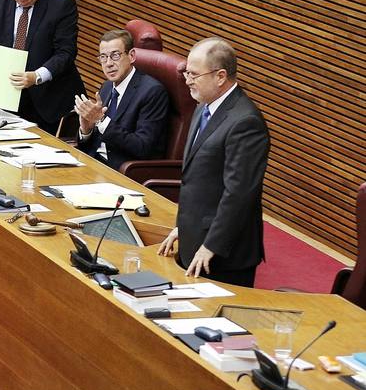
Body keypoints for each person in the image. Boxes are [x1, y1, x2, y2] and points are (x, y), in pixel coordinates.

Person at [159, 38, 270, 286]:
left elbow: (239, 193)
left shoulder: (245, 123)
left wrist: (211, 244)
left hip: (222, 254)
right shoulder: (203, 107)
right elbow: (197, 179)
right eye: (186, 72)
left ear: (220, 76)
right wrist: (184, 229)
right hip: (195, 238)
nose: (187, 80)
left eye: (194, 74)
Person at [0, 0, 84, 133]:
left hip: (51, 101)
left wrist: (36, 76)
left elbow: (65, 53)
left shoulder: (61, 5)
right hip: (10, 98)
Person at [74, 28, 172, 170]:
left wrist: (101, 120)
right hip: (92, 163)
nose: (108, 63)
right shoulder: (107, 86)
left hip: (122, 172)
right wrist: (86, 129)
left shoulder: (152, 92)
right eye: (103, 57)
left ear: (131, 56)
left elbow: (142, 147)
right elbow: (91, 143)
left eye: (115, 55)